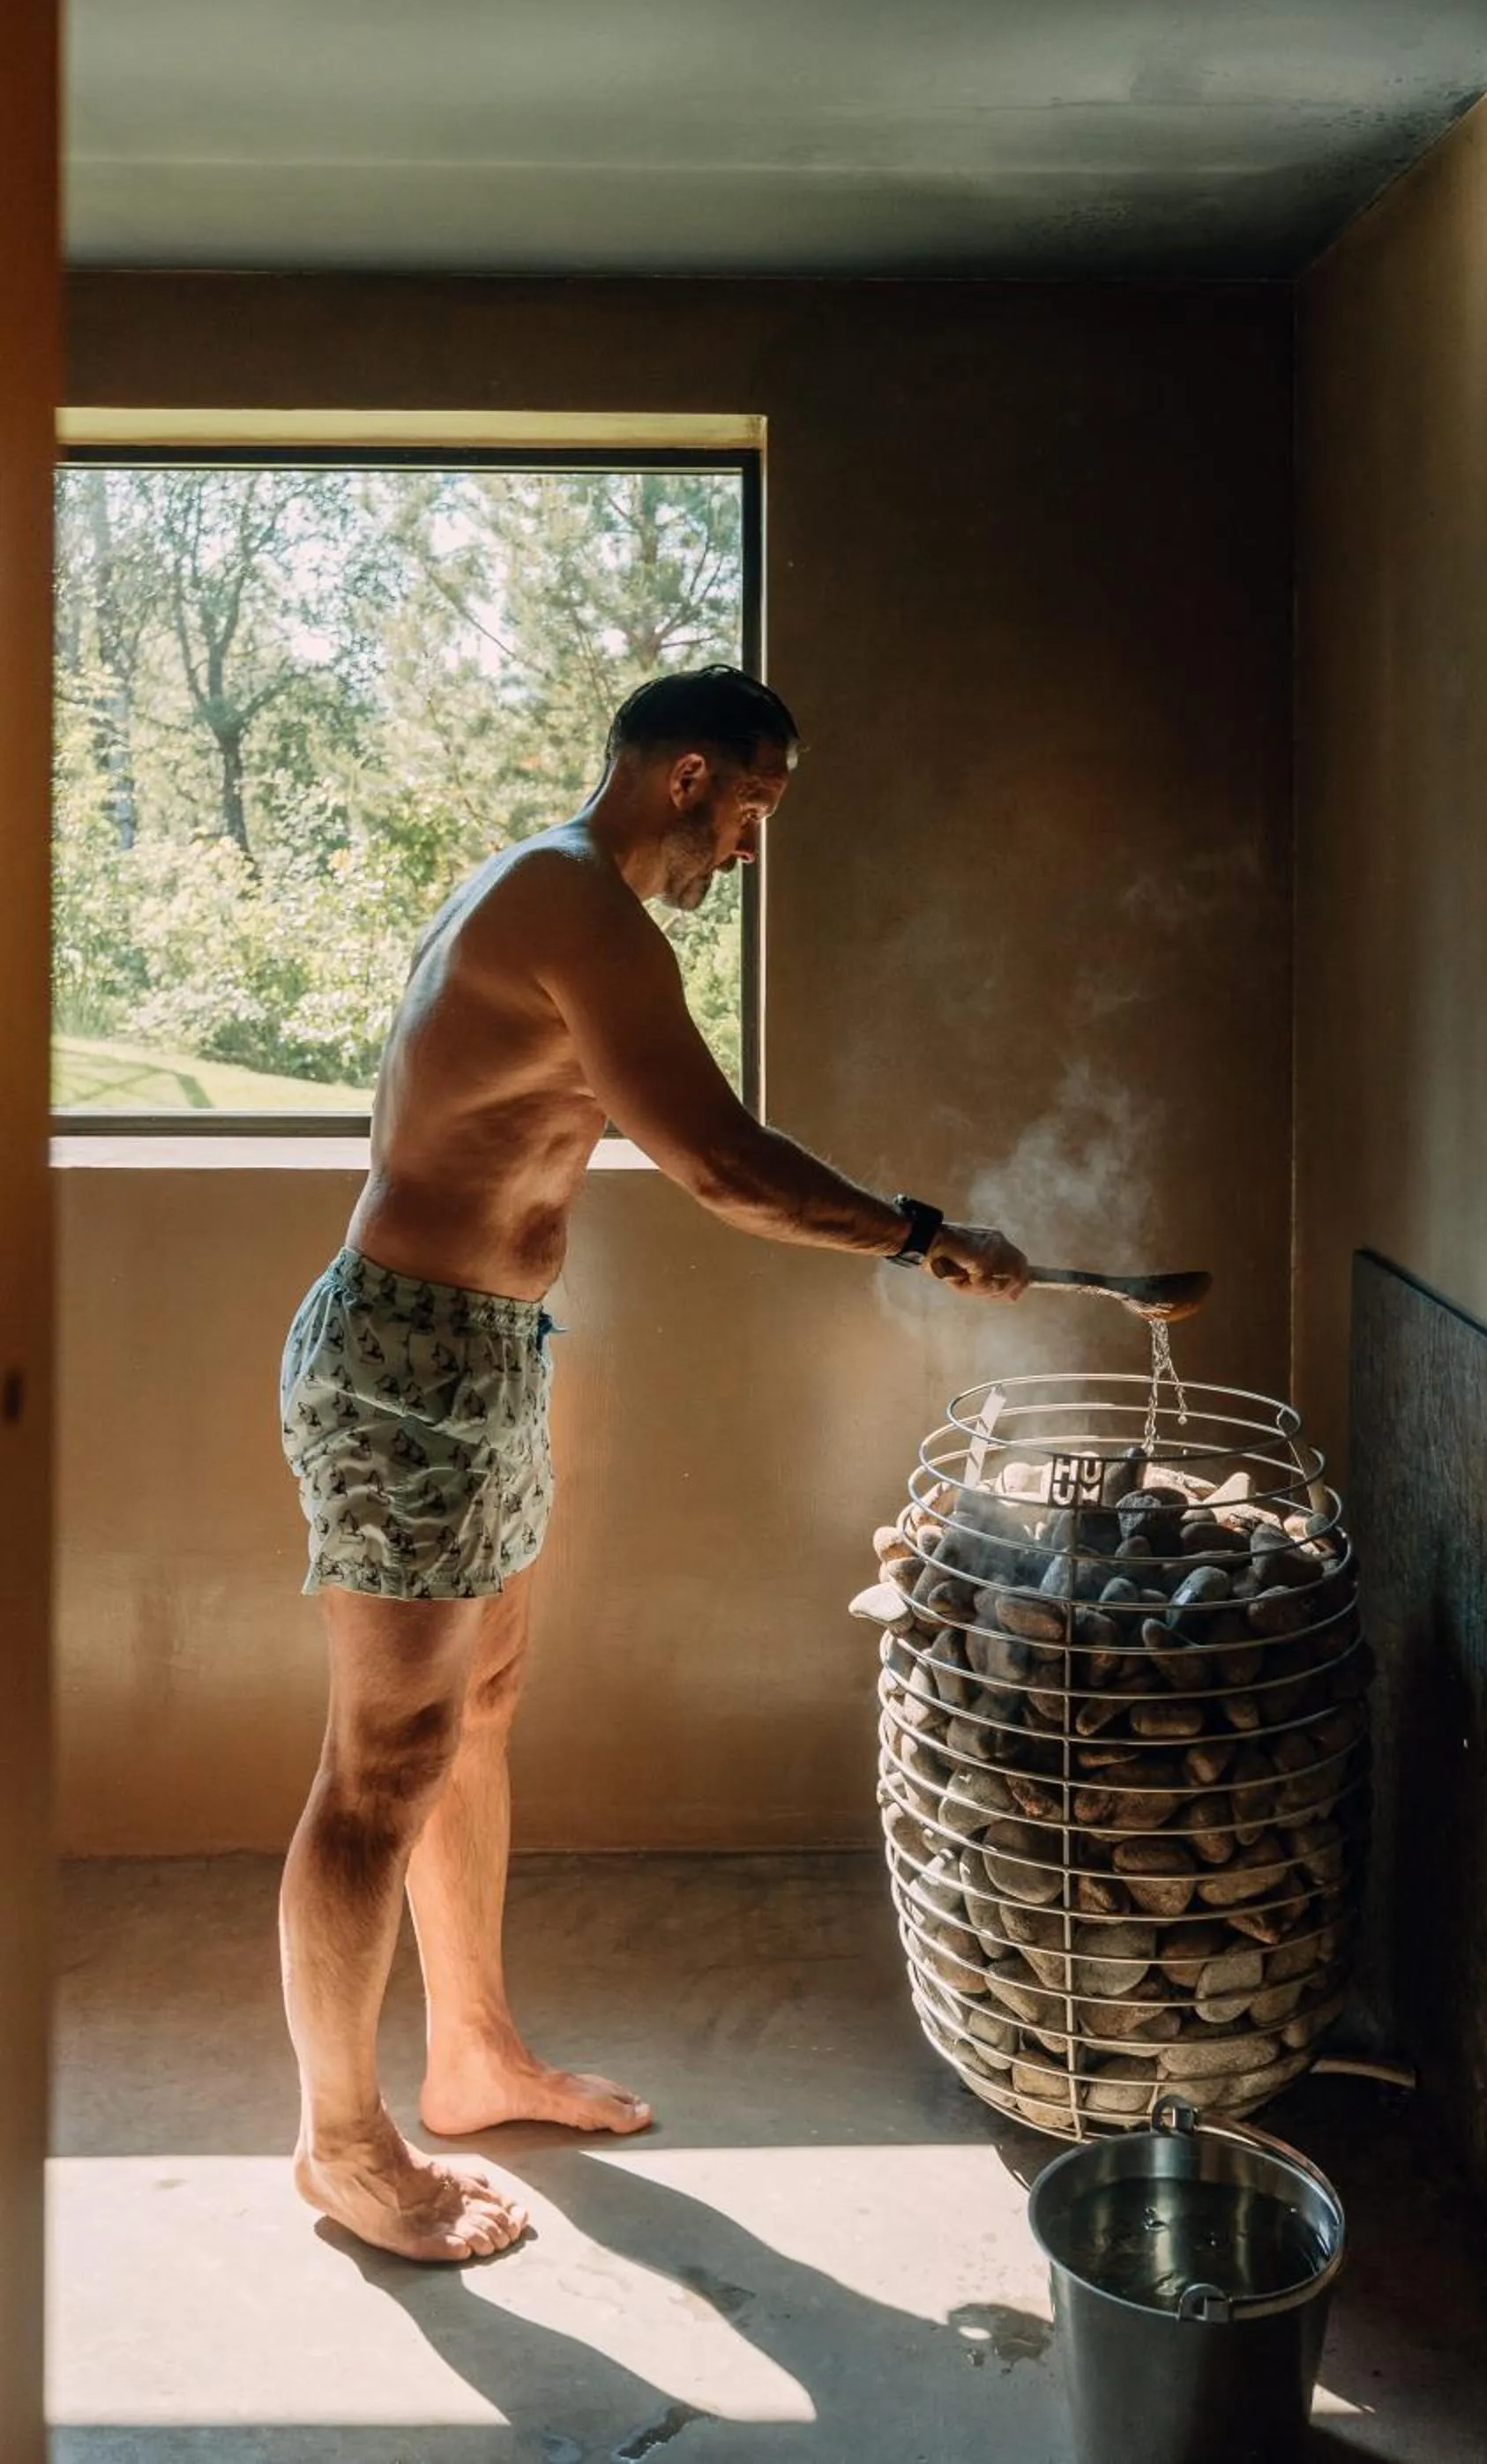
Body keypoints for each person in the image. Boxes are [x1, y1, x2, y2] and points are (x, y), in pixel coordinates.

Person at [278, 665, 1030, 2264]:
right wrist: (922, 1234)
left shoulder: (555, 893)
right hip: (406, 1367)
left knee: (472, 1718)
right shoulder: (573, 905)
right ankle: (342, 2146)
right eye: (753, 810)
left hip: (481, 1361)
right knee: (380, 1769)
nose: (749, 848)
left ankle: (471, 2058)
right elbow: (721, 1165)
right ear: (691, 776)